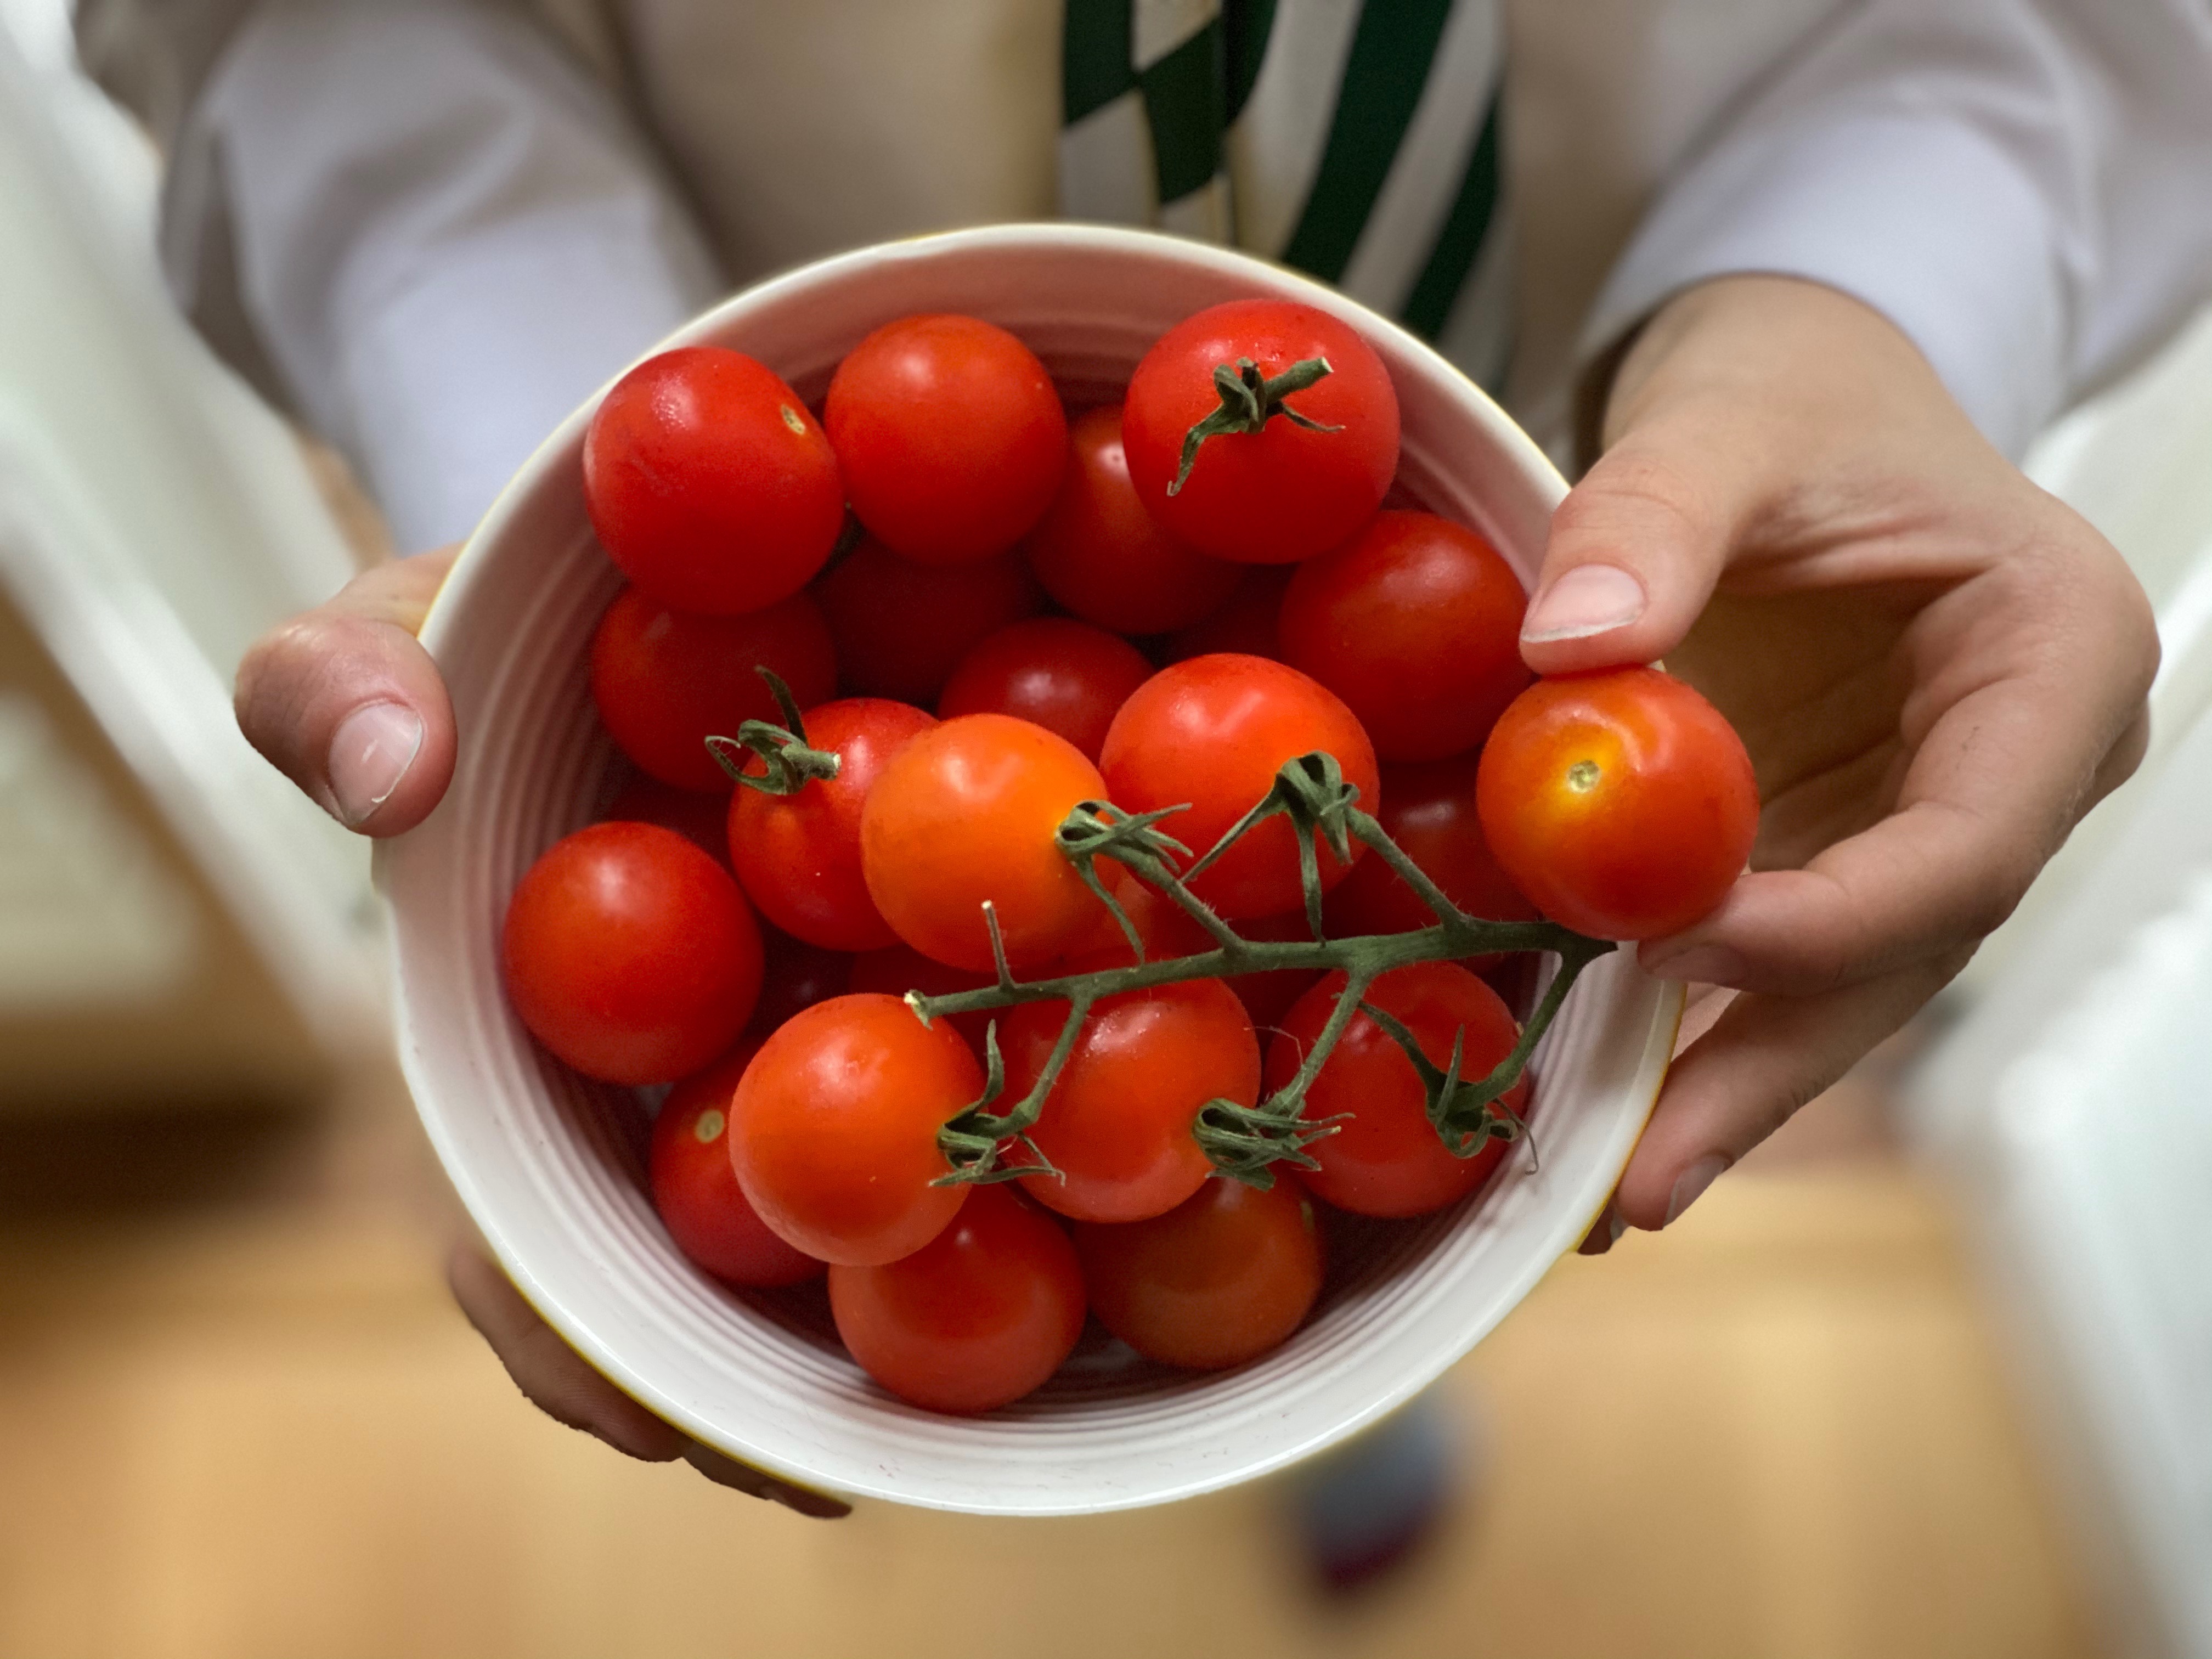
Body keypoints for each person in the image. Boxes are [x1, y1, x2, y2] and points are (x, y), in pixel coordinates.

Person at [78, 0, 2209, 1520]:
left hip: (1543, 494)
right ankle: (1307, 1412)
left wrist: (1856, 300)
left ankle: (1334, 1417)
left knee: (1354, 1252)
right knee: (1313, 1210)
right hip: (827, 404)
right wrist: (547, 485)